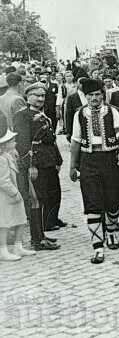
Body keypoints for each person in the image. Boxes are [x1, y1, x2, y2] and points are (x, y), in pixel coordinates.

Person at [69, 79, 119, 264]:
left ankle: (111, 232)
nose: (94, 98)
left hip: (109, 159)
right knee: (92, 202)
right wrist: (72, 166)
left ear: (103, 95)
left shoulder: (112, 111)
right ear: (85, 96)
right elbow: (75, 141)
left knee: (113, 200)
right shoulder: (79, 114)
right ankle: (98, 247)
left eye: (97, 95)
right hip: (88, 161)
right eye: (90, 95)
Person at [13, 82, 63, 249]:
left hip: (47, 163)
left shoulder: (42, 114)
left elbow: (51, 141)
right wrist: (30, 165)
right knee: (36, 200)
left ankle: (42, 234)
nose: (41, 99)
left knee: (45, 198)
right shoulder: (23, 116)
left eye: (43, 96)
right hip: (36, 165)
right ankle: (37, 239)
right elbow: (23, 143)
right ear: (28, 97)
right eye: (37, 95)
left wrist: (57, 160)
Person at [0, 115, 36, 260]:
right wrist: (14, 193)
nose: (15, 142)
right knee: (5, 223)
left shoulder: (8, 156)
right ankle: (3, 249)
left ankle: (18, 246)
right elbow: (3, 180)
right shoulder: (1, 160)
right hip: (6, 197)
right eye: (12, 141)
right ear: (4, 145)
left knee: (20, 219)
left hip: (15, 195)